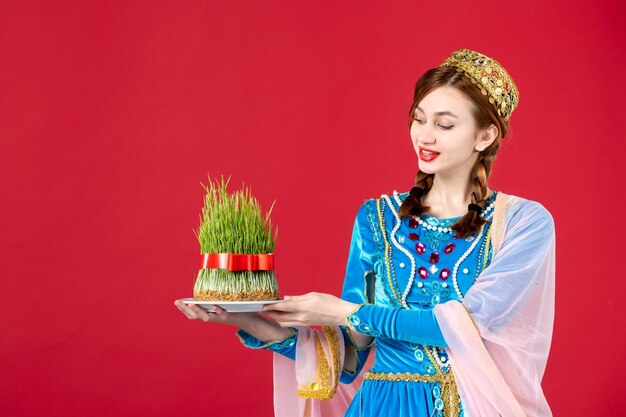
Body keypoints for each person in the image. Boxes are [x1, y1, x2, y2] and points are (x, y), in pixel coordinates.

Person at [174, 49, 556, 417]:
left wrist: (345, 311)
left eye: (445, 125)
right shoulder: (377, 218)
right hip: (380, 404)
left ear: (485, 136)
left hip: (469, 406)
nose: (424, 136)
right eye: (418, 119)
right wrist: (246, 320)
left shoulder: (523, 222)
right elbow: (350, 359)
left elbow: (467, 325)